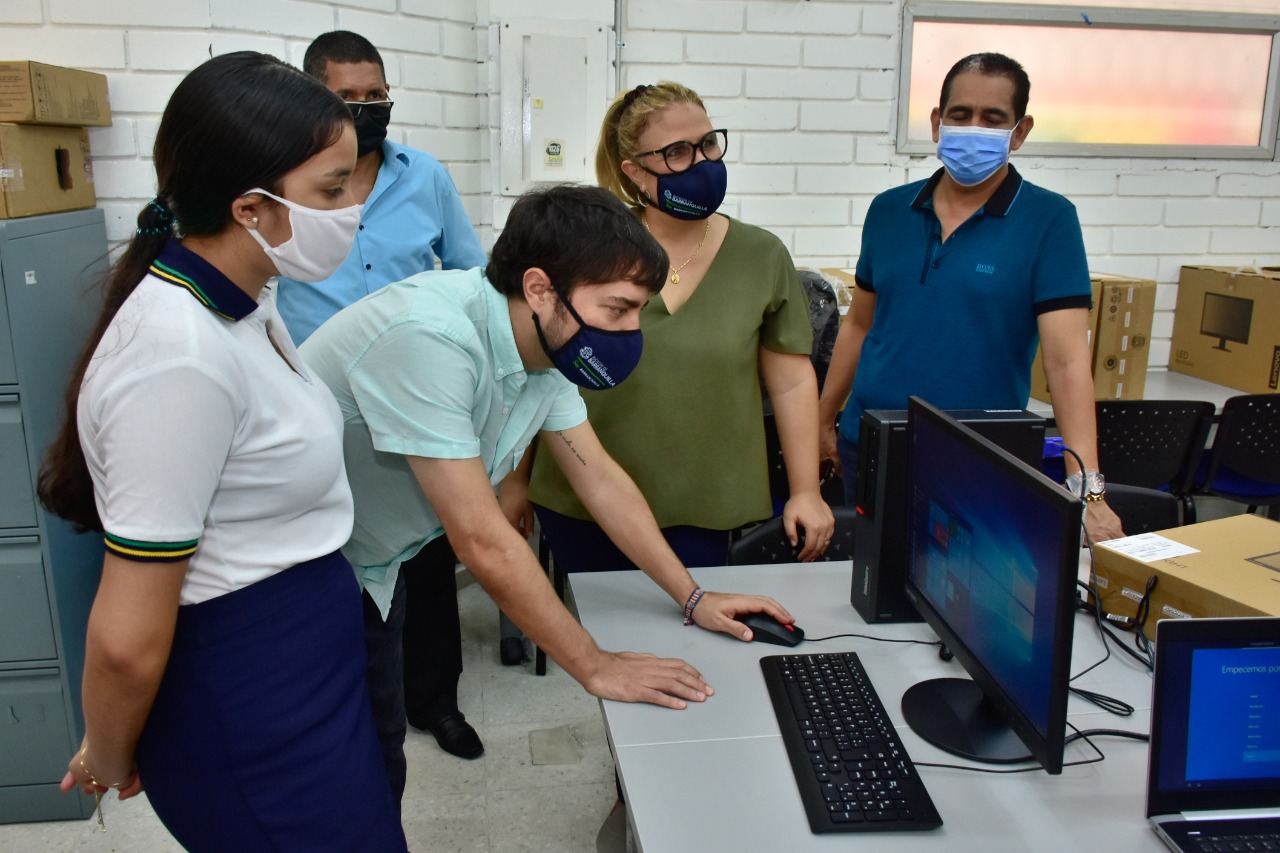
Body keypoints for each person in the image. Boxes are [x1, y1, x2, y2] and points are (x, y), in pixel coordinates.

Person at [299, 183, 797, 809]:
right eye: (616, 308)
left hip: (371, 565)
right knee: (334, 785)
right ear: (539, 288)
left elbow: (599, 477)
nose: (629, 329)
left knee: (376, 759)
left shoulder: (542, 351)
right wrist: (594, 665)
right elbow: (481, 539)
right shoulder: (429, 338)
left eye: (638, 310)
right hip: (300, 576)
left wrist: (692, 596)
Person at [37, 52, 406, 851]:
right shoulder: (177, 355)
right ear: (251, 209)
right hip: (247, 691)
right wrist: (109, 750)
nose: (354, 207)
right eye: (333, 190)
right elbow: (126, 635)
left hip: (305, 655)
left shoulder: (247, 300)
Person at [277, 29, 492, 765]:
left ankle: (438, 700)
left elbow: (472, 271)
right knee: (333, 563)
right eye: (349, 98)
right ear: (312, 99)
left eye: (377, 96)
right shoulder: (290, 185)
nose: (368, 110)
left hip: (414, 395)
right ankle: (352, 705)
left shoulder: (424, 177)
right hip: (318, 404)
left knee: (427, 556)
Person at [817, 52, 1124, 543]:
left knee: (962, 601)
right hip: (871, 443)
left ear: (1019, 133)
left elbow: (1067, 365)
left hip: (978, 455)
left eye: (992, 118)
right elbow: (860, 324)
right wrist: (822, 419)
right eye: (960, 115)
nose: (973, 127)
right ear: (938, 122)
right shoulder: (888, 210)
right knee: (868, 589)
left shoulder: (1049, 220)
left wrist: (1088, 491)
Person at [527, 82, 835, 571]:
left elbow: (794, 379)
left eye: (709, 143)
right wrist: (511, 483)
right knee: (602, 642)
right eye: (677, 152)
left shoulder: (761, 255)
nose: (703, 162)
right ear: (635, 171)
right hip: (585, 497)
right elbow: (536, 370)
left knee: (701, 638)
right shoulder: (588, 247)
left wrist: (806, 492)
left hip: (710, 506)